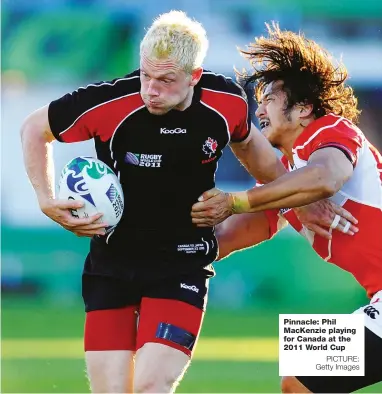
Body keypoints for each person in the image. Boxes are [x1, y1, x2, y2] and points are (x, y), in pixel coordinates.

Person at [20, 10, 311, 393]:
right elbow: (34, 128)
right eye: (146, 75)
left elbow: (266, 166)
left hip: (181, 267)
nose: (150, 89)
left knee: (149, 387)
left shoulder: (226, 103)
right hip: (112, 267)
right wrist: (45, 198)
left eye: (165, 80)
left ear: (193, 75)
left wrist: (304, 204)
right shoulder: (109, 102)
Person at [193, 23, 382, 393]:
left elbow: (325, 178)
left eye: (270, 98)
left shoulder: (329, 131)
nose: (259, 108)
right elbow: (223, 238)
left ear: (304, 109)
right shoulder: (282, 185)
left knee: (299, 376)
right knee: (298, 376)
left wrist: (236, 201)